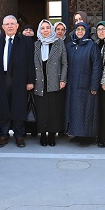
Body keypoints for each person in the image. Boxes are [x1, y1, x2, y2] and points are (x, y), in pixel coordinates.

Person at [0, 15, 35, 148]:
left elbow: (30, 63)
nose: (9, 26)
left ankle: (19, 135)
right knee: (3, 107)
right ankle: (3, 135)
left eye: (12, 24)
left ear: (17, 26)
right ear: (2, 27)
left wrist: (30, 81)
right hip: (0, 79)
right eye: (7, 24)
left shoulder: (26, 41)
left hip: (20, 80)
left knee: (18, 107)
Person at [65, 22, 102, 146]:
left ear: (86, 31)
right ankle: (77, 133)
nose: (80, 31)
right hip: (72, 84)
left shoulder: (92, 46)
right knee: (74, 110)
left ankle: (88, 137)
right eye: (77, 29)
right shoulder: (70, 45)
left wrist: (94, 85)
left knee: (86, 111)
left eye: (82, 29)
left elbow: (97, 66)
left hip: (86, 86)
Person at [33, 19, 67, 147]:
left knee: (53, 110)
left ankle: (52, 135)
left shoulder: (59, 43)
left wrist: (63, 79)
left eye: (48, 27)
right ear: (39, 30)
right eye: (43, 28)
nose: (45, 30)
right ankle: (43, 134)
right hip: (39, 83)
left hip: (54, 82)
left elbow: (65, 64)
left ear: (51, 29)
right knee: (41, 110)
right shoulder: (36, 44)